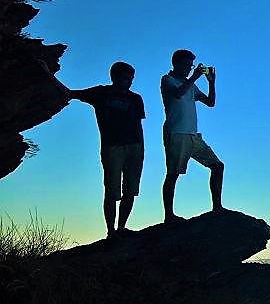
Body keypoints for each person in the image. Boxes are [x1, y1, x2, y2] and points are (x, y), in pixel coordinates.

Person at [38, 60, 146, 238]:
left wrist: (141, 149)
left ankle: (121, 228)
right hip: (112, 147)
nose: (130, 81)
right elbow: (69, 93)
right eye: (127, 78)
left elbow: (138, 125)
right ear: (115, 77)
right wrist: (47, 73)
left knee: (130, 190)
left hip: (135, 147)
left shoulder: (135, 98)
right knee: (112, 191)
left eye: (131, 78)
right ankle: (111, 231)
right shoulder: (101, 93)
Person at [161, 49, 224, 223]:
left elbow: (210, 103)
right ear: (177, 63)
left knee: (218, 166)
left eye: (191, 66)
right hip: (176, 133)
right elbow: (179, 93)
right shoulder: (167, 80)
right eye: (187, 65)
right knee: (172, 174)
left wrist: (211, 82)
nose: (190, 68)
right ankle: (169, 215)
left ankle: (217, 207)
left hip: (193, 135)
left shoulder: (191, 84)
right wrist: (195, 77)